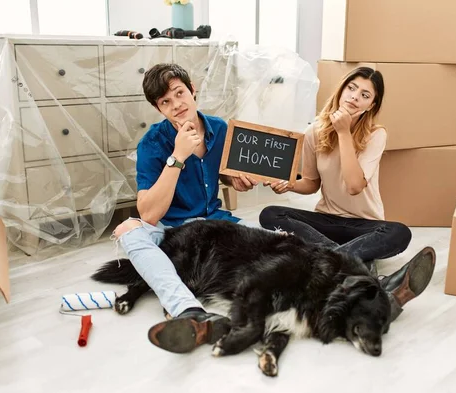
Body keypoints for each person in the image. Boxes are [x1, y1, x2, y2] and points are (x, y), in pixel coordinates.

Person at [259, 66, 436, 321]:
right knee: (271, 213)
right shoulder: (314, 132)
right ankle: (365, 273)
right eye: (351, 88)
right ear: (341, 90)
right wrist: (290, 185)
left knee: (399, 232)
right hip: (327, 220)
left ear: (371, 106)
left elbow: (354, 186)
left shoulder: (376, 135)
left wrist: (343, 132)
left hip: (365, 225)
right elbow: (311, 182)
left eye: (365, 95)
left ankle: (327, 263)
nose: (355, 97)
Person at [111, 63, 259, 354]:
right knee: (129, 231)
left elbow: (224, 173)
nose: (176, 105)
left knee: (271, 243)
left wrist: (236, 180)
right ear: (159, 109)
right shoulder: (152, 143)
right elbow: (149, 215)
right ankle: (188, 310)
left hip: (215, 225)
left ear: (193, 91)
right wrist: (178, 156)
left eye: (180, 93)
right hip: (172, 231)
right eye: (165, 101)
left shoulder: (220, 128)